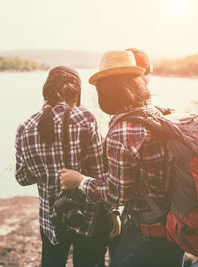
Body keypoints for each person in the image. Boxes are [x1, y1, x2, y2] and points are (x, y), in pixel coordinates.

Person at [59, 51, 185, 267]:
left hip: (148, 234)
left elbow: (117, 194)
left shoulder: (123, 130)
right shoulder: (156, 112)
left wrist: (80, 181)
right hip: (175, 229)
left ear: (107, 89)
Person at [14, 66, 110, 267]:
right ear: (77, 92)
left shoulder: (25, 127)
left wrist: (46, 171)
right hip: (88, 217)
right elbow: (100, 172)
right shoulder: (85, 118)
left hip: (51, 217)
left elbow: (22, 178)